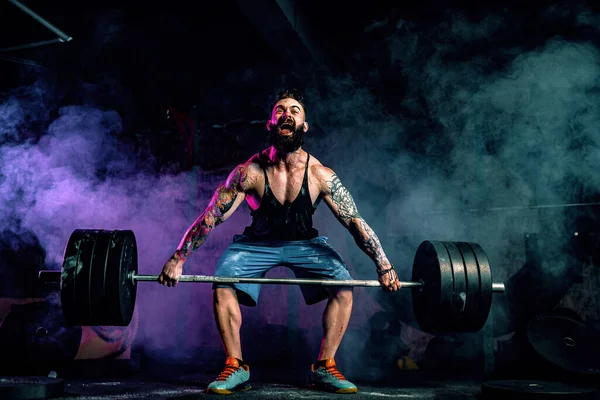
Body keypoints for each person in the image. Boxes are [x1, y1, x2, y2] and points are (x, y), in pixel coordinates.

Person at [158, 89, 401, 394]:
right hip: (256, 244)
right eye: (280, 110)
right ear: (271, 124)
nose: (287, 114)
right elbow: (211, 217)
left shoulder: (319, 175)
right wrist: (178, 258)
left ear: (304, 125)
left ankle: (326, 366)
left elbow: (354, 221)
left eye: (295, 110)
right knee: (223, 282)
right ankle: (235, 365)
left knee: (344, 285)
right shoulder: (249, 173)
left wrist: (383, 264)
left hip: (305, 245)